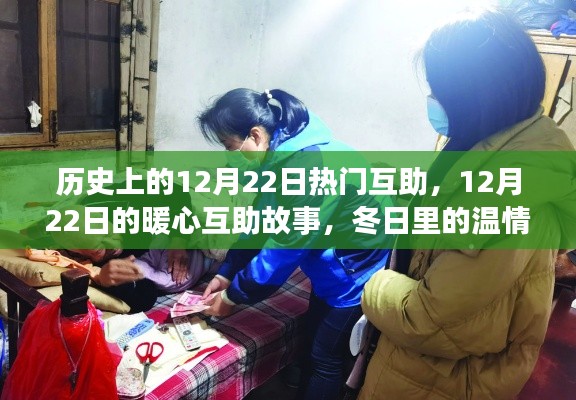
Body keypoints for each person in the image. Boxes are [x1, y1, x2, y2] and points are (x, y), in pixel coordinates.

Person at [359, 9, 576, 400]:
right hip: (416, 368)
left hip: (437, 382)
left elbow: (427, 320)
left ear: (474, 96)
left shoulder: (504, 198)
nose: (433, 101)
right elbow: (444, 202)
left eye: (439, 92)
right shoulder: (490, 144)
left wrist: (372, 281)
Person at [197, 88, 393, 400]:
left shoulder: (308, 169)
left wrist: (233, 296)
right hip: (333, 257)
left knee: (324, 357)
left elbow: (284, 248)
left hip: (356, 268)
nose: (229, 156)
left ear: (255, 135)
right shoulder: (280, 158)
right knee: (313, 335)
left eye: (230, 146)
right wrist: (227, 272)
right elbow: (261, 222)